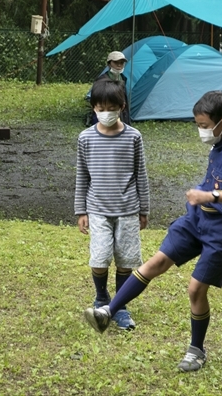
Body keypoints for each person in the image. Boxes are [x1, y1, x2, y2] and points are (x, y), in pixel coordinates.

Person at [84, 90, 222, 372]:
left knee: (196, 289)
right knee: (156, 262)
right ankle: (107, 312)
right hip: (197, 221)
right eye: (197, 124)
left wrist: (209, 196)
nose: (200, 131)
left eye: (203, 126)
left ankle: (196, 351)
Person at [76, 77, 150, 331]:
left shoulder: (133, 137)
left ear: (122, 106)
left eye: (111, 108)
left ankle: (119, 306)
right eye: (100, 108)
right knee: (99, 257)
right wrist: (81, 211)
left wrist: (144, 210)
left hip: (128, 210)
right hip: (97, 209)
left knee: (125, 260)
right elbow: (81, 175)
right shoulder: (85, 138)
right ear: (94, 108)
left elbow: (141, 174)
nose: (105, 113)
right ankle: (101, 298)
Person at [88, 51, 130, 126]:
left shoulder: (123, 78)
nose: (119, 65)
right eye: (116, 62)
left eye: (122, 62)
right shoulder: (101, 80)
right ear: (109, 63)